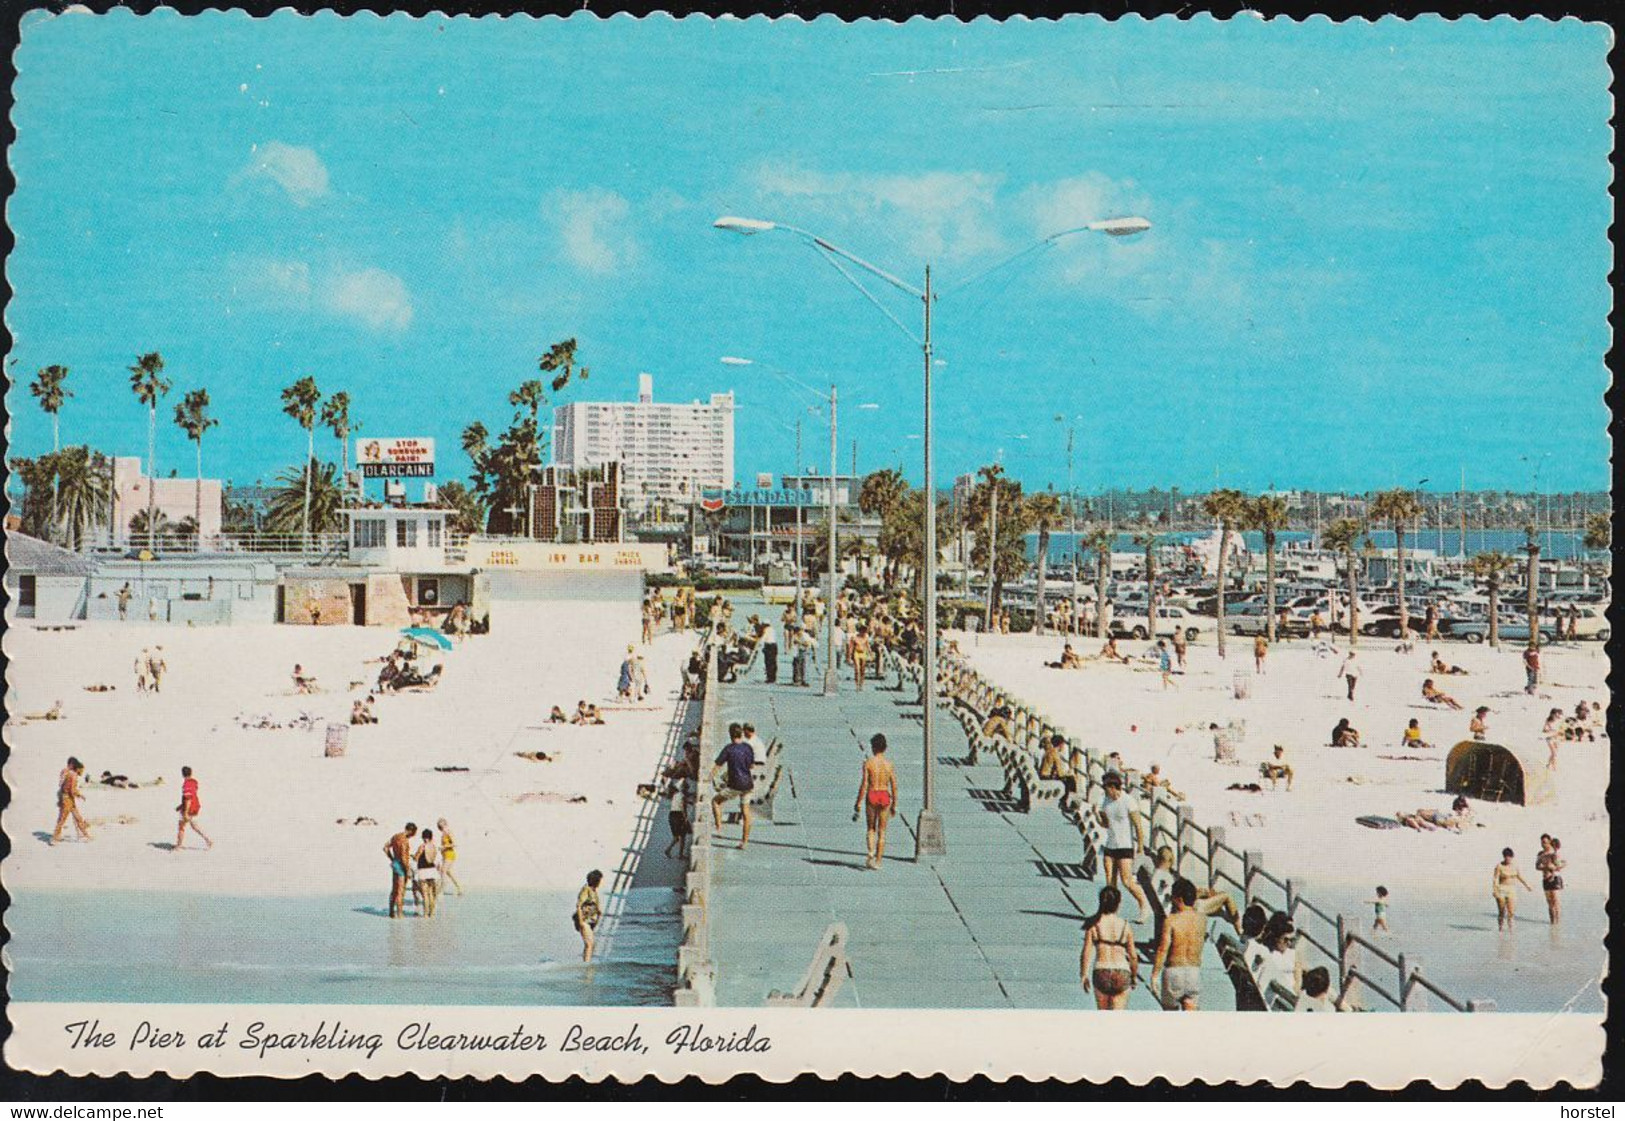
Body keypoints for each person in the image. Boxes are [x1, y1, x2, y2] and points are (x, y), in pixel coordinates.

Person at [1150, 878, 1209, 1010]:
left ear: (1179, 899)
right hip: (1194, 972)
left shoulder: (1171, 921)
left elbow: (1162, 950)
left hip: (1174, 972)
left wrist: (1154, 975)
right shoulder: (1202, 920)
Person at [1098, 774, 1149, 922]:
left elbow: (1138, 826)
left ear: (1113, 787)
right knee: (1110, 882)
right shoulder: (1106, 801)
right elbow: (1106, 824)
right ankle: (1110, 912)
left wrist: (1140, 847)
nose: (1105, 791)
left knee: (1127, 881)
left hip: (1125, 846)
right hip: (1110, 845)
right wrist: (1098, 816)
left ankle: (1144, 906)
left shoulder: (1128, 801)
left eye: (1106, 788)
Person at [1080, 885, 1138, 1010]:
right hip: (1122, 971)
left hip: (1101, 970)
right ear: (1118, 904)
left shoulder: (1093, 925)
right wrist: (1133, 975)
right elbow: (1133, 955)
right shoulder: (1125, 926)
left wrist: (1084, 974)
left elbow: (1086, 952)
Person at [853, 734, 898, 871]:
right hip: (884, 795)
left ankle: (870, 852)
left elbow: (864, 784)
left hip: (872, 794)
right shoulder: (889, 765)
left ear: (873, 747)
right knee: (882, 831)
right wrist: (894, 804)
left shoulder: (868, 763)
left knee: (871, 828)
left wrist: (858, 802)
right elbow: (894, 786)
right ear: (885, 748)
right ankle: (878, 861)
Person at [711, 723, 756, 849]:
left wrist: (709, 778)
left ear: (730, 735)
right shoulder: (747, 747)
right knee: (746, 812)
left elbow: (717, 766)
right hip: (748, 784)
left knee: (716, 801)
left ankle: (719, 828)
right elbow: (752, 766)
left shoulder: (729, 749)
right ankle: (744, 842)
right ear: (741, 733)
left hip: (735, 785)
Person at [50, 757, 91, 845]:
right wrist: (79, 795)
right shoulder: (73, 775)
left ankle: (85, 835)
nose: (82, 772)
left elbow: (61, 784)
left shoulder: (65, 772)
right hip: (68, 799)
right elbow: (72, 790)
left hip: (64, 797)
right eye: (81, 770)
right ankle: (54, 838)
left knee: (77, 817)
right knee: (63, 818)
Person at [173, 765, 213, 852]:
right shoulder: (194, 782)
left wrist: (185, 812)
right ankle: (208, 840)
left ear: (182, 774)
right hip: (195, 807)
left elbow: (188, 799)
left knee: (181, 827)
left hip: (189, 809)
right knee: (194, 826)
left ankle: (178, 846)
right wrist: (181, 805)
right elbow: (192, 796)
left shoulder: (186, 785)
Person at [1492, 847, 1532, 931]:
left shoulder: (1515, 866)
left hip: (1511, 889)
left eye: (1509, 856)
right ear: (1504, 857)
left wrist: (1527, 885)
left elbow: (1519, 877)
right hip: (1501, 889)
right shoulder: (1499, 866)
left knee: (1511, 911)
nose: (1508, 858)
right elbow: (1495, 879)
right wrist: (1495, 890)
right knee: (1502, 911)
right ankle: (1500, 928)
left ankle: (1511, 929)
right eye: (1506, 856)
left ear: (1512, 857)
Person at [384, 823, 418, 919]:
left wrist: (392, 859)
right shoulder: (404, 841)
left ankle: (391, 912)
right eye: (414, 833)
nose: (414, 835)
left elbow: (385, 847)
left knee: (394, 889)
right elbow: (403, 856)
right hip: (401, 865)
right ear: (411, 831)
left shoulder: (395, 836)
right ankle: (400, 914)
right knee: (401, 891)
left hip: (395, 863)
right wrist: (407, 870)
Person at [575, 869, 603, 962]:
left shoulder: (594, 891)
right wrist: (581, 922)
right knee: (589, 944)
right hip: (585, 920)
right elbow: (579, 905)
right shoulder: (586, 889)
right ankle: (586, 963)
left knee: (590, 944)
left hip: (591, 920)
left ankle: (586, 961)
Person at [1536, 835, 1565, 925]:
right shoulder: (1541, 854)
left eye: (1545, 842)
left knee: (1556, 901)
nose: (1543, 844)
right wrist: (1545, 867)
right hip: (1545, 879)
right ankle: (1552, 923)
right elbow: (1537, 866)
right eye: (1542, 842)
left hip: (1555, 878)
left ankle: (1558, 923)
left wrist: (1554, 867)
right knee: (1549, 903)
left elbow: (1560, 865)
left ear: (1549, 842)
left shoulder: (1554, 853)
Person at [414, 828, 441, 918]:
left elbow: (416, 857)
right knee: (431, 894)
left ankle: (425, 914)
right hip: (432, 871)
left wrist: (414, 856)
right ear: (431, 837)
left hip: (423, 872)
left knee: (425, 895)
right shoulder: (434, 846)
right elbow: (435, 860)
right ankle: (432, 914)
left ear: (423, 837)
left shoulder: (422, 846)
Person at [664, 780, 693, 859]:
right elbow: (684, 808)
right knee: (683, 836)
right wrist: (686, 819)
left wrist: (689, 802)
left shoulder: (676, 795)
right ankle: (680, 855)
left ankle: (668, 849)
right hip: (678, 816)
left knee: (676, 837)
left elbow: (681, 802)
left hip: (671, 815)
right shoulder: (683, 796)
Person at [437, 817, 463, 897]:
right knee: (448, 872)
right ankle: (459, 887)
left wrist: (444, 847)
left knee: (443, 871)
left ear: (445, 824)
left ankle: (441, 890)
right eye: (440, 827)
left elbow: (454, 843)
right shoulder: (443, 834)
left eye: (442, 826)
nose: (442, 828)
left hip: (449, 854)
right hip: (445, 855)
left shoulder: (448, 832)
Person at [848, 625, 870, 690]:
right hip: (856, 653)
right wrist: (849, 656)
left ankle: (861, 684)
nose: (864, 633)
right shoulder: (854, 637)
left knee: (862, 670)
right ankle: (857, 684)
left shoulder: (866, 637)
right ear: (860, 631)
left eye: (865, 632)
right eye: (863, 632)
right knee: (857, 669)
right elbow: (851, 647)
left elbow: (868, 646)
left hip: (863, 653)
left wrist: (870, 654)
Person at [759, 617, 779, 684]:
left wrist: (759, 644)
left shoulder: (766, 630)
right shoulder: (772, 629)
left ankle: (769, 677)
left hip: (768, 646)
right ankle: (773, 677)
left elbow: (763, 638)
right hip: (774, 646)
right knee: (773, 662)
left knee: (768, 662)